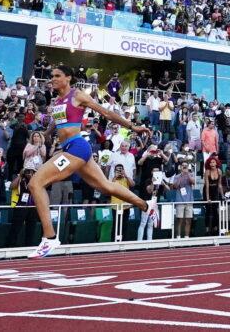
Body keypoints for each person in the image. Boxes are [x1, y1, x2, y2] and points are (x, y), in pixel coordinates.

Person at [27, 66, 155, 259]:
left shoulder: (77, 95)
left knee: (35, 183)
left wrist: (132, 126)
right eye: (51, 76)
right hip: (69, 149)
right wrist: (43, 134)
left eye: (57, 76)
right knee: (106, 186)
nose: (52, 79)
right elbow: (57, 124)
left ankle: (49, 237)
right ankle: (146, 205)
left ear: (68, 78)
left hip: (78, 148)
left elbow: (106, 113)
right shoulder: (58, 100)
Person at [173, 162, 195, 238]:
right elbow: (175, 186)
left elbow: (193, 182)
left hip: (189, 200)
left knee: (188, 220)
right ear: (180, 167)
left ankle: (186, 237)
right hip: (180, 200)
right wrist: (181, 175)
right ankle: (178, 236)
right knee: (179, 220)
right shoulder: (176, 176)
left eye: (186, 166)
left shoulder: (190, 175)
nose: (184, 167)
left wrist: (187, 174)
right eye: (183, 166)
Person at [203, 156, 223, 235]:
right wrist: (208, 198)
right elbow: (207, 186)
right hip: (207, 190)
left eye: (213, 162)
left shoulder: (219, 171)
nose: (212, 164)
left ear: (216, 163)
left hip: (215, 190)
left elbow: (220, 185)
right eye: (211, 162)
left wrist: (222, 195)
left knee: (215, 210)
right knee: (208, 210)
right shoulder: (207, 172)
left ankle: (215, 229)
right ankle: (207, 230)